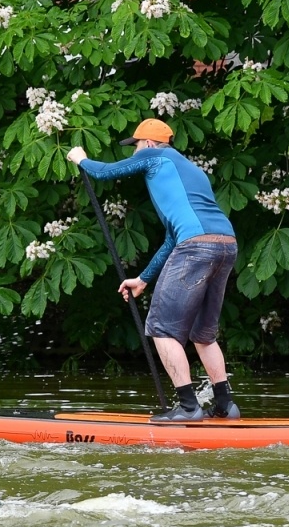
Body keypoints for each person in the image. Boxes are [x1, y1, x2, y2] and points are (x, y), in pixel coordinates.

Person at [68, 118, 240, 422]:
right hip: (226, 245)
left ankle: (189, 408)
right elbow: (173, 238)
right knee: (203, 333)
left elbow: (105, 172)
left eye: (135, 146)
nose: (134, 153)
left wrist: (81, 159)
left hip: (197, 246)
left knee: (162, 328)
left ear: (147, 143)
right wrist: (144, 279)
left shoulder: (155, 155)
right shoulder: (192, 170)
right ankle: (226, 406)